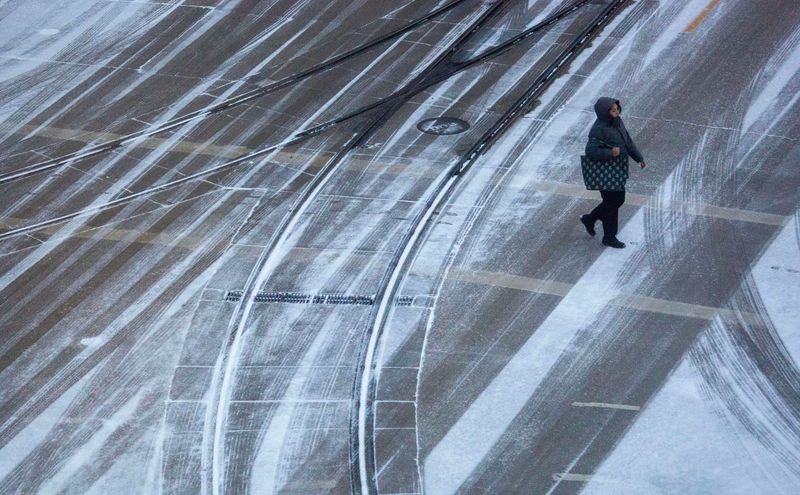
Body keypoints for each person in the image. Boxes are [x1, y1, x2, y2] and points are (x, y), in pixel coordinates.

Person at [579, 97, 647, 248]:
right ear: (605, 113)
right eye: (613, 110)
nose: (617, 112)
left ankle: (590, 219)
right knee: (613, 203)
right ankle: (609, 237)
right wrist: (611, 153)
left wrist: (638, 158)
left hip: (617, 171)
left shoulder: (617, 122)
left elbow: (627, 141)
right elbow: (591, 151)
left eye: (617, 109)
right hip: (606, 172)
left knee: (616, 200)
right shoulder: (598, 129)